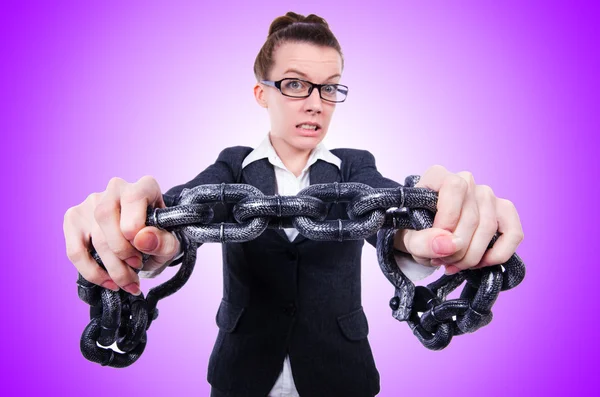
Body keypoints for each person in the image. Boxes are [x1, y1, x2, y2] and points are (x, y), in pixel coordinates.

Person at [63, 12, 524, 397]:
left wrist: (426, 231)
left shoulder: (354, 167)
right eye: (296, 85)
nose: (316, 104)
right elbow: (185, 208)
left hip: (339, 370)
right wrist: (139, 231)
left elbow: (385, 216)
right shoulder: (233, 167)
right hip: (242, 371)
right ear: (262, 94)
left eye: (330, 87)